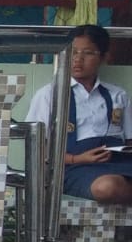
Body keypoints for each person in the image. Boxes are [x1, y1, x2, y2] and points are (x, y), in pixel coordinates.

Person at [26, 24, 131, 204]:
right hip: (72, 168)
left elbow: (129, 139)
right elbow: (36, 149)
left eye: (88, 53)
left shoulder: (117, 95)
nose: (77, 59)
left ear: (104, 57)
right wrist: (77, 158)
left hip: (120, 163)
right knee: (107, 187)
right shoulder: (50, 95)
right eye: (73, 52)